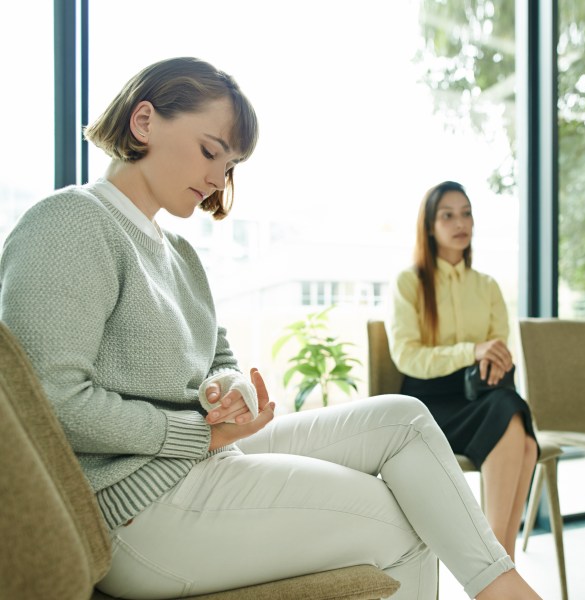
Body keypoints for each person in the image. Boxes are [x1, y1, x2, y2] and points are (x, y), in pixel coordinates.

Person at [0, 57, 544, 600]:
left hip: (207, 458)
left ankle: (502, 587)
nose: (218, 179)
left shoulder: (180, 254)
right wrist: (199, 434)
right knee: (406, 522)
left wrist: (228, 390)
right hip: (140, 509)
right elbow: (51, 403)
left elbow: (220, 359)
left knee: (403, 420)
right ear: (143, 122)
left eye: (230, 164)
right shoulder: (71, 221)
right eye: (210, 151)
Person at [387, 180, 538, 560]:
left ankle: (499, 559)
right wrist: (472, 350)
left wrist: (489, 357)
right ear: (429, 227)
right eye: (448, 215)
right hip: (428, 402)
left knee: (522, 433)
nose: (460, 223)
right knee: (513, 419)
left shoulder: (487, 286)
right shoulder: (409, 283)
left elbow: (497, 351)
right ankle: (501, 563)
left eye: (467, 213)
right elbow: (408, 357)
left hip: (479, 395)